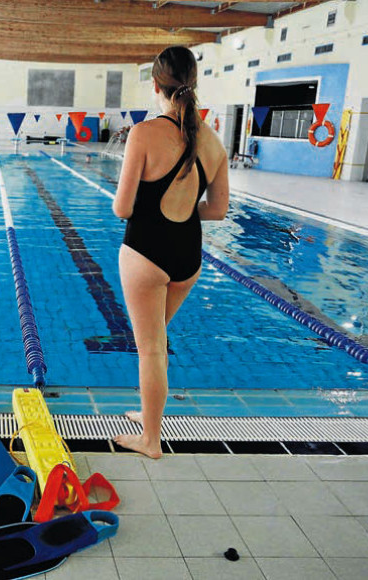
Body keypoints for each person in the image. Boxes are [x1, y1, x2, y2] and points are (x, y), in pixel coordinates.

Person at [111, 46, 230, 459]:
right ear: (193, 84)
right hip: (188, 255)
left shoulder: (145, 133)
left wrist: (157, 209)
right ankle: (148, 413)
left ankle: (151, 440)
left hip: (146, 252)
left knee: (150, 348)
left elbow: (123, 208)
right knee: (156, 342)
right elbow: (217, 210)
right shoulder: (213, 140)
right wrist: (180, 207)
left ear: (156, 85)